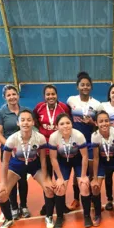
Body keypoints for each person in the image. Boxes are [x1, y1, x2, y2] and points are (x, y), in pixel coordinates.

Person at [0, 110, 54, 228]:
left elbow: (43, 159)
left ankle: (49, 217)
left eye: (29, 120)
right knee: (2, 193)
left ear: (33, 122)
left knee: (49, 188)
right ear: (18, 123)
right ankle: (8, 219)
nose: (26, 123)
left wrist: (45, 178)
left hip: (34, 164)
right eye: (22, 120)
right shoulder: (12, 139)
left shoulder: (40, 138)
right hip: (17, 165)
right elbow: (5, 162)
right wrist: (3, 182)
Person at [48, 113, 91, 228]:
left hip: (78, 160)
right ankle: (60, 217)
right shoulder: (53, 137)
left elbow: (85, 156)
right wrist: (60, 178)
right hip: (62, 162)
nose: (65, 126)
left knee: (84, 186)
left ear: (72, 124)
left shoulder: (79, 135)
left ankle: (87, 216)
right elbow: (53, 158)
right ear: (57, 126)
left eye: (68, 123)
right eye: (62, 124)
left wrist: (83, 176)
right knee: (60, 188)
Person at [33, 84, 70, 216]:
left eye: (53, 94)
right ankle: (48, 203)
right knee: (47, 177)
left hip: (60, 149)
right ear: (44, 96)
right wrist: (43, 132)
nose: (50, 96)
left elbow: (67, 121)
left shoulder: (63, 107)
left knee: (61, 177)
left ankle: (62, 203)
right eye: (48, 94)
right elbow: (35, 120)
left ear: (57, 95)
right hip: (44, 150)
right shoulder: (39, 107)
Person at [0, 85, 30, 220]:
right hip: (9, 151)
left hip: (24, 151)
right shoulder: (1, 113)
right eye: (8, 95)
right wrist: (10, 147)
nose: (12, 97)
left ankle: (24, 205)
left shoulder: (25, 111)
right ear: (5, 97)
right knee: (11, 179)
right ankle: (14, 207)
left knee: (22, 179)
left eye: (14, 94)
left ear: (18, 95)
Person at [67, 72, 101, 211]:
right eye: (82, 85)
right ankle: (76, 199)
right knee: (77, 172)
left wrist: (92, 122)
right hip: (76, 143)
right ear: (77, 87)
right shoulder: (71, 100)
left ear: (91, 87)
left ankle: (92, 199)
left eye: (87, 85)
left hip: (91, 142)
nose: (85, 87)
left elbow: (100, 124)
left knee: (92, 171)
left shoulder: (97, 104)